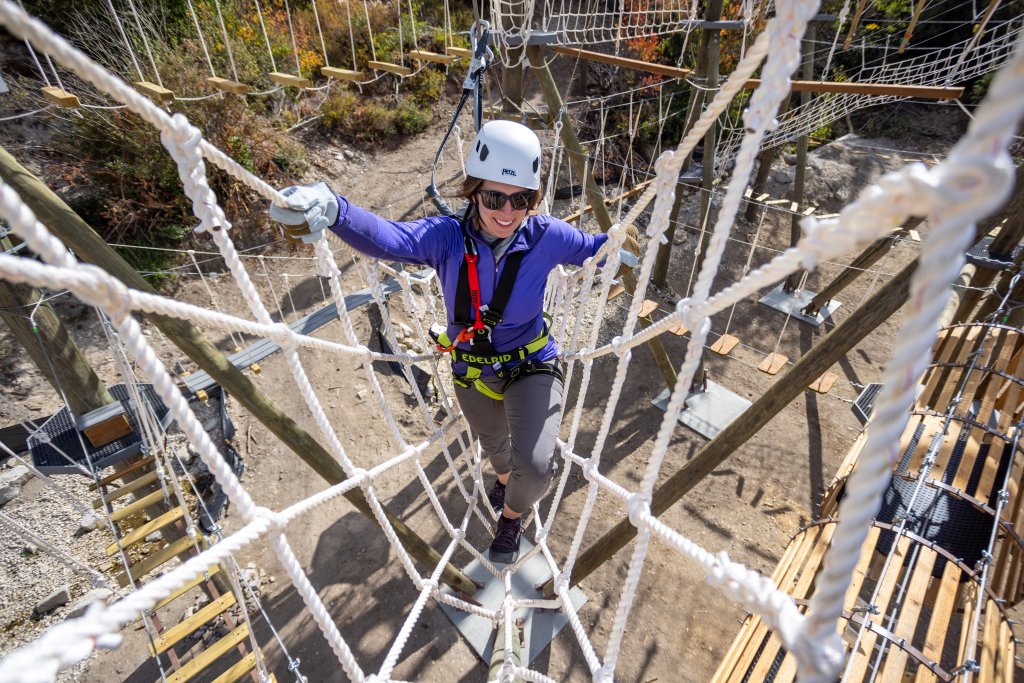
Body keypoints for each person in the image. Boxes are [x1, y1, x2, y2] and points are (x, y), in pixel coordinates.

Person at [270, 120, 634, 564]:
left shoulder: (545, 236)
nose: (506, 211)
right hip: (472, 367)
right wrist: (335, 209)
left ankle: (512, 516)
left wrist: (620, 249)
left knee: (536, 468)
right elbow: (389, 238)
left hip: (532, 362)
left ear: (534, 200)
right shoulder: (447, 238)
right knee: (496, 447)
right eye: (494, 197)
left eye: (520, 199)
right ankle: (502, 481)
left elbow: (594, 249)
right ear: (473, 192)